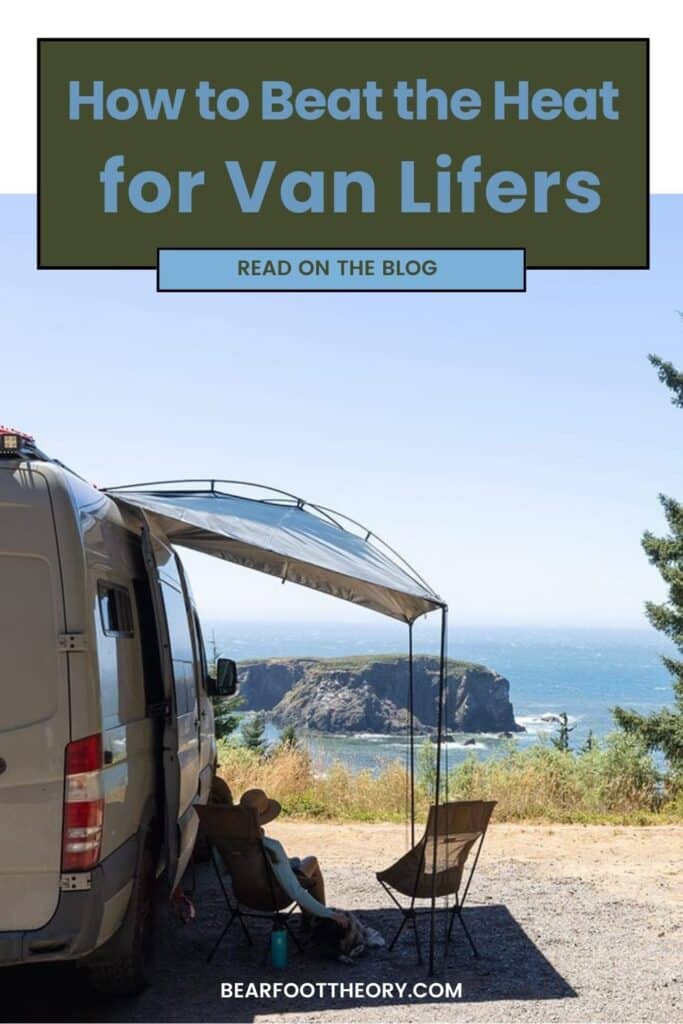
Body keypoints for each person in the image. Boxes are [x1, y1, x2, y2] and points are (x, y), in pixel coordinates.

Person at [238, 788, 348, 929]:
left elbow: (224, 871)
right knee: (312, 861)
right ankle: (318, 921)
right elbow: (295, 891)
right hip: (274, 897)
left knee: (301, 863)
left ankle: (311, 919)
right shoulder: (272, 847)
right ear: (264, 817)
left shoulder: (228, 844)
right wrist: (330, 914)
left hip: (244, 895)